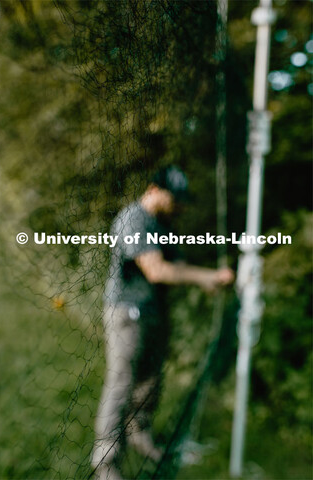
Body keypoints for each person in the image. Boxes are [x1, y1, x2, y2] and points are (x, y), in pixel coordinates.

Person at [92, 166, 234, 480]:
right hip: (126, 314)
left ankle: (140, 438)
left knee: (150, 382)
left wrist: (207, 280)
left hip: (153, 313)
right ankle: (105, 463)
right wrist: (206, 276)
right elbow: (157, 271)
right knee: (121, 384)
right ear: (154, 189)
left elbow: (178, 265)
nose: (180, 205)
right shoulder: (134, 220)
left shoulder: (162, 224)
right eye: (175, 197)